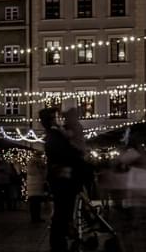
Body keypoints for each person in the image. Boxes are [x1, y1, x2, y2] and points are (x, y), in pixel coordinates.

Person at [42, 107, 84, 252]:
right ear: (51, 120)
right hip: (63, 179)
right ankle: (59, 242)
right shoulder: (55, 136)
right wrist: (79, 156)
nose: (60, 119)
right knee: (63, 211)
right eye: (56, 117)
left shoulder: (54, 134)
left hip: (62, 178)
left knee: (63, 211)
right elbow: (67, 154)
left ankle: (60, 239)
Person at [26, 151, 48, 223]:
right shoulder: (40, 162)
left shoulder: (30, 162)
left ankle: (33, 218)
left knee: (33, 203)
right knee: (37, 203)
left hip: (31, 185)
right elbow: (44, 172)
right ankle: (37, 218)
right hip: (38, 183)